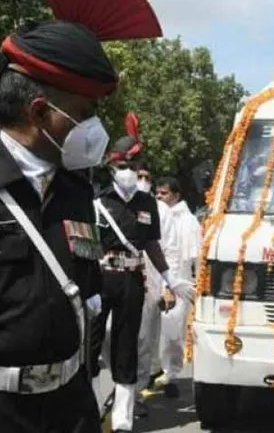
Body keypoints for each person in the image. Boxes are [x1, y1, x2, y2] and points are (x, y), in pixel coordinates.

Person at [0, 0, 160, 432]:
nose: (95, 128)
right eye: (85, 112)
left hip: (69, 407)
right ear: (40, 110)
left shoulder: (72, 191)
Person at [90, 138, 187, 433]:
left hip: (132, 279)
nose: (128, 172)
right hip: (100, 279)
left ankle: (122, 419)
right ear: (111, 167)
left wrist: (170, 278)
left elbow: (151, 244)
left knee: (126, 348)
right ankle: (86, 408)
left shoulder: (147, 204)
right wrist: (84, 287)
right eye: (122, 166)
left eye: (132, 167)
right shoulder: (98, 201)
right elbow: (84, 245)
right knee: (89, 347)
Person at [132, 160, 180, 413]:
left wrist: (167, 285)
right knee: (111, 338)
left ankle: (135, 394)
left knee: (142, 340)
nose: (139, 179)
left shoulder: (159, 210)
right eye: (136, 174)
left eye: (144, 176)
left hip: (150, 283)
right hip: (115, 281)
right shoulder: (107, 203)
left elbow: (169, 250)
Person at [155, 176, 201, 398]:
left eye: (164, 193)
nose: (159, 196)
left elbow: (194, 257)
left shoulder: (188, 221)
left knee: (173, 333)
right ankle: (152, 372)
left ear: (176, 195)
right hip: (152, 279)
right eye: (158, 192)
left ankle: (171, 374)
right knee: (151, 333)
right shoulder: (155, 214)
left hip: (177, 281)